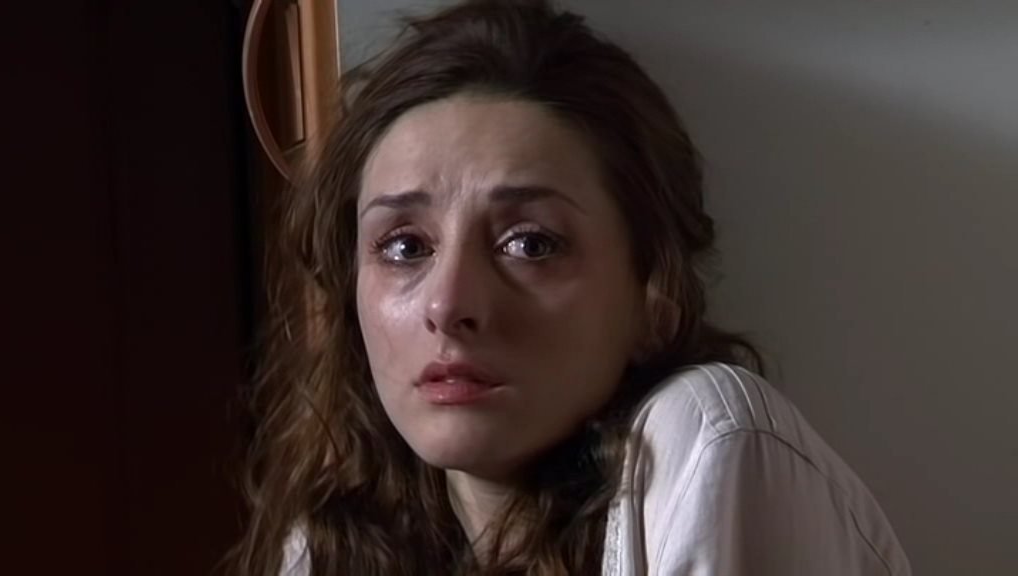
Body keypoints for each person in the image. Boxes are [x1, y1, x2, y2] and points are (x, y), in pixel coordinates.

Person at [228, 1, 912, 574]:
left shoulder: (705, 441)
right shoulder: (332, 543)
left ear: (654, 299)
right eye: (405, 247)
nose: (449, 304)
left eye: (530, 244)